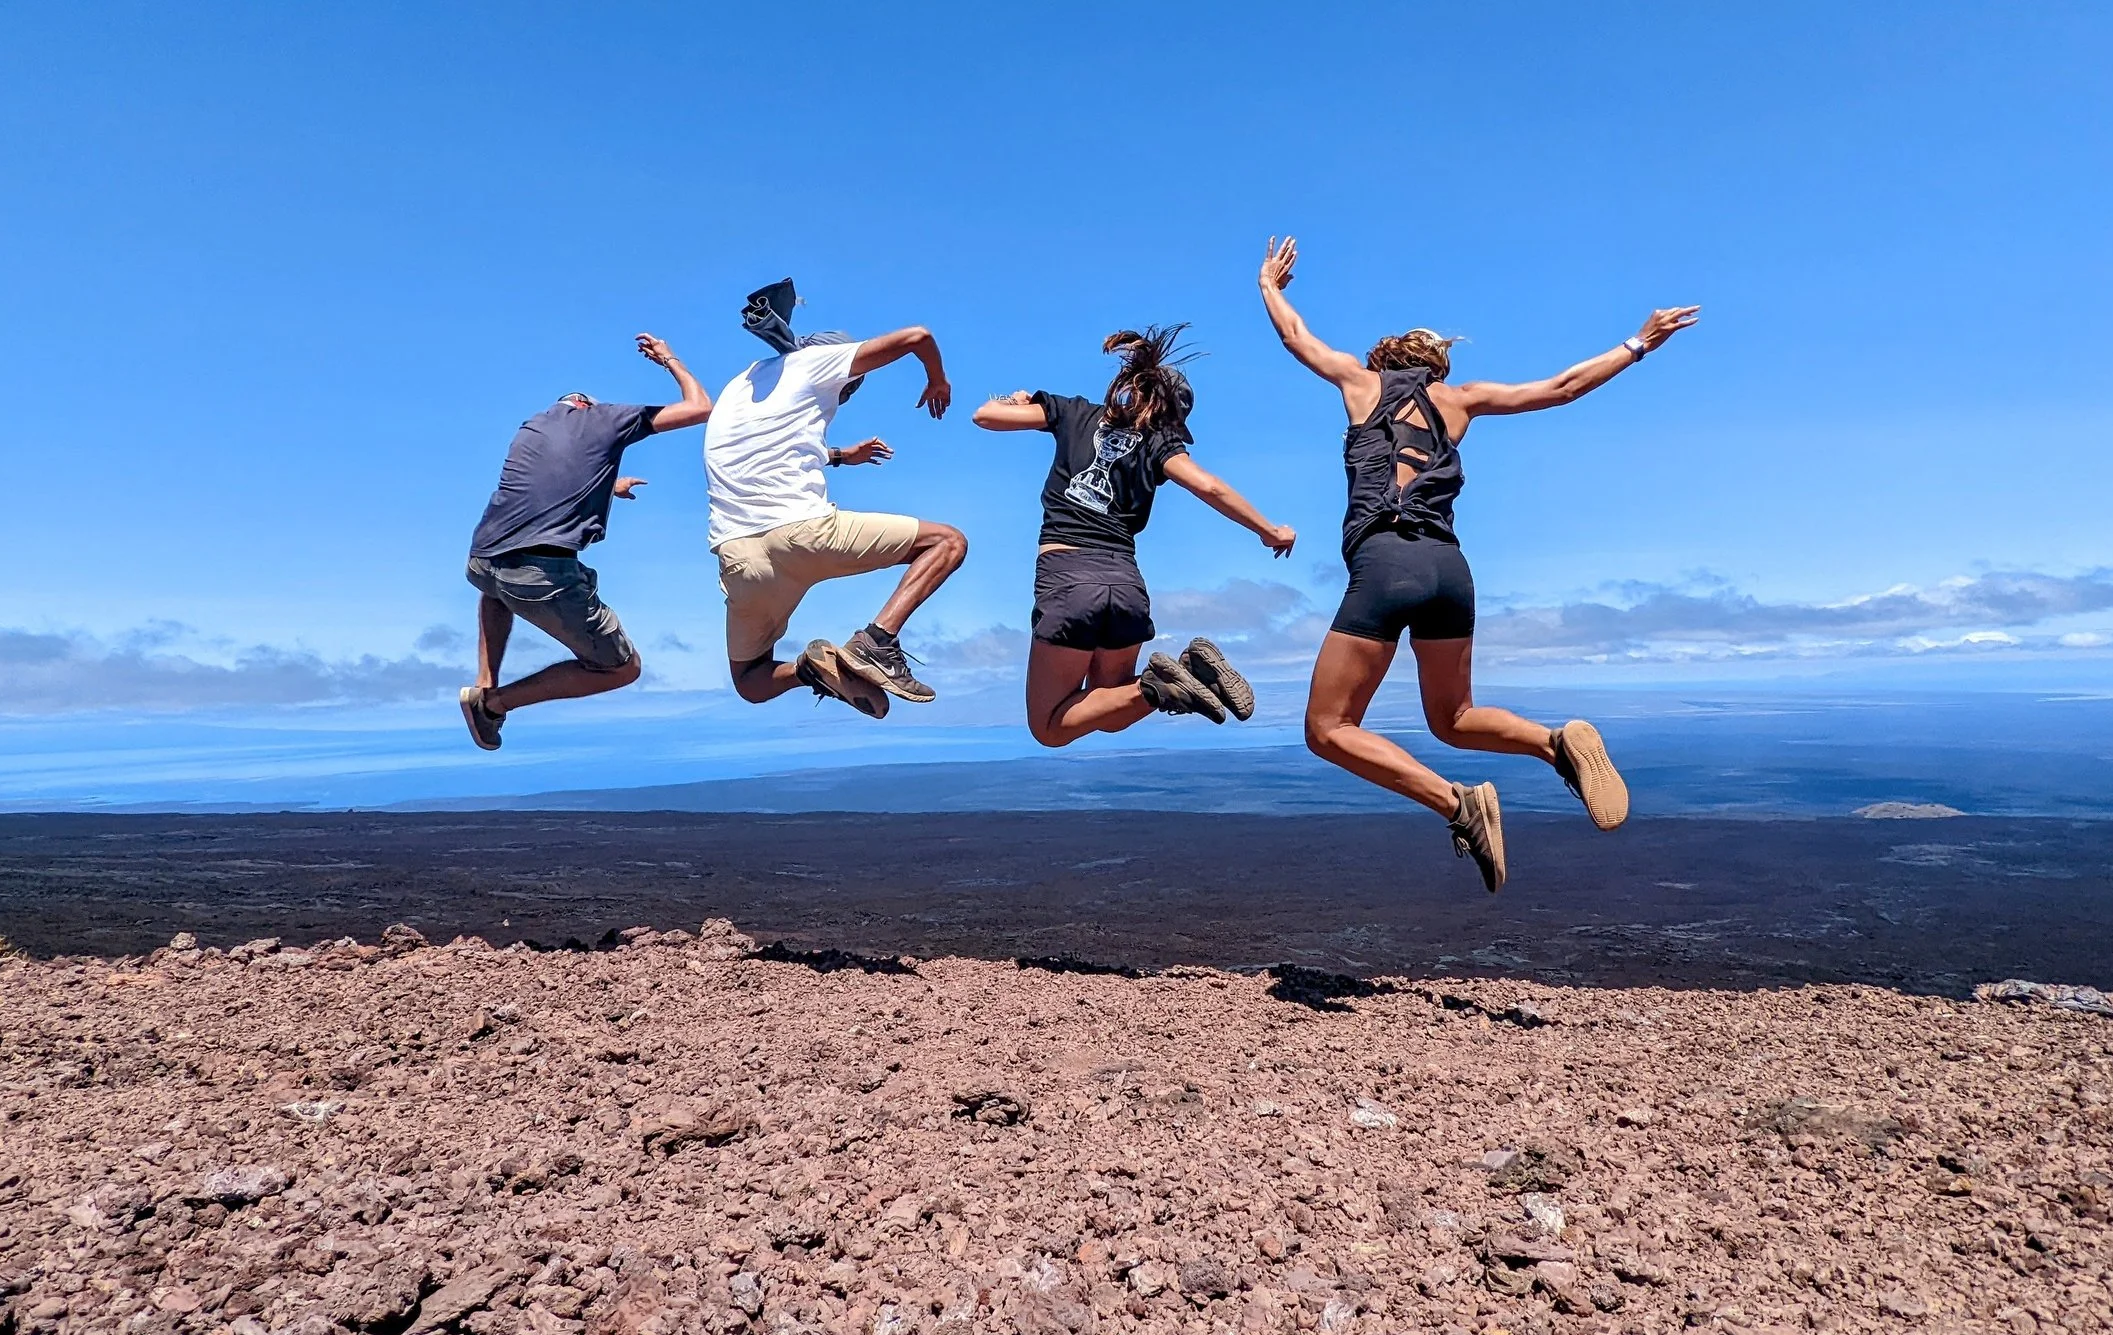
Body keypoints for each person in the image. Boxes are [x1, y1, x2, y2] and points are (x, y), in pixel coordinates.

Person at [1257, 236, 1699, 888]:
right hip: (1449, 571)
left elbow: (1297, 337)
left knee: (1328, 728)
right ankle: (1556, 745)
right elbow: (1562, 388)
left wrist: (1269, 285)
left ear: (1384, 359)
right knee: (1454, 717)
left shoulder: (1357, 381)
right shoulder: (1463, 400)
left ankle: (1458, 803)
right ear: (1436, 367)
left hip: (1386, 562)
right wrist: (1638, 343)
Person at [974, 326, 1297, 745]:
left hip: (1068, 577)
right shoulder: (1160, 441)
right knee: (1108, 710)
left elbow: (985, 416)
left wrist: (1014, 400)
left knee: (1049, 728)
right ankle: (1178, 677)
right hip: (1125, 584)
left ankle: (1159, 685)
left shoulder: (1074, 413)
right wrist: (1269, 531)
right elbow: (1209, 486)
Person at [704, 278, 968, 716]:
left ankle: (809, 669)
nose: (845, 396)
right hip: (804, 532)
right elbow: (918, 337)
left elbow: (770, 449)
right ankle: (876, 643)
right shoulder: (816, 361)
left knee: (751, 681)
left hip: (738, 556)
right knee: (947, 542)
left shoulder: (740, 386)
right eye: (850, 388)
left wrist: (843, 456)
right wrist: (937, 380)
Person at [460, 334, 712, 749]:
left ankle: (485, 682)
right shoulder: (605, 417)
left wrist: (609, 485)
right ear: (587, 406)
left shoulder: (533, 427)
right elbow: (700, 407)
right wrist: (669, 360)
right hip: (539, 571)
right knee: (619, 668)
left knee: (496, 588)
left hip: (483, 557)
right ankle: (494, 704)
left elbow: (552, 479)